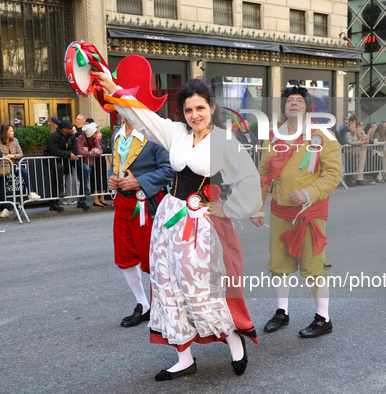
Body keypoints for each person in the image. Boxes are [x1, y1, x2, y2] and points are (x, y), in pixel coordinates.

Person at [92, 70, 261, 380]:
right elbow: (142, 116)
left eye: (200, 108)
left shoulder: (223, 140)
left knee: (200, 289)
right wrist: (114, 88)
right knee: (167, 285)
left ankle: (233, 339)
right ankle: (183, 356)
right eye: (188, 109)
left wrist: (240, 208)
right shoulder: (176, 133)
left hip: (202, 223)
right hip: (170, 217)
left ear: (211, 107)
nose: (194, 115)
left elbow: (249, 179)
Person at [251, 86, 342, 339]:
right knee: (279, 265)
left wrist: (309, 193)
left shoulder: (323, 135)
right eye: (289, 100)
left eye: (298, 100)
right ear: (284, 107)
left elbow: (333, 174)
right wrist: (257, 207)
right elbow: (263, 174)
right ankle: (282, 312)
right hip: (280, 211)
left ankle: (323, 317)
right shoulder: (272, 135)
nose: (293, 104)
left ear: (308, 107)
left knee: (314, 265)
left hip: (310, 212)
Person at [107, 118, 173, 327]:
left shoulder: (155, 134)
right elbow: (114, 165)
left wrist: (139, 181)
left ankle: (164, 305)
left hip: (149, 203)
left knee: (154, 259)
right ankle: (143, 304)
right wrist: (111, 178)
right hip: (123, 203)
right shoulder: (117, 134)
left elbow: (169, 169)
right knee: (125, 256)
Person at [0, 124, 41, 218]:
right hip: (1, 165)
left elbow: (21, 154)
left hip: (13, 164)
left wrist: (12, 156)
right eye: (11, 131)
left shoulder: (14, 140)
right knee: (2, 186)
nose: (13, 132)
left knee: (25, 172)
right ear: (5, 132)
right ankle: (5, 208)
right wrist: (2, 157)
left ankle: (31, 192)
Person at [43, 120, 78, 212]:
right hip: (50, 158)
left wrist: (70, 154)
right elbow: (54, 151)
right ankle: (59, 192)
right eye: (70, 128)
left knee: (60, 173)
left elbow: (75, 149)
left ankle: (55, 202)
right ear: (63, 129)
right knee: (58, 170)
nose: (72, 129)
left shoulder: (72, 137)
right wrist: (69, 154)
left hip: (63, 159)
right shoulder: (53, 137)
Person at [76, 123, 103, 210]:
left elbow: (100, 149)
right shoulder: (81, 138)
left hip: (89, 161)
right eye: (95, 132)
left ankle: (81, 200)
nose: (96, 134)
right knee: (86, 170)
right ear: (90, 133)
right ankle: (86, 187)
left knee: (84, 179)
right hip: (80, 161)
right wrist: (90, 153)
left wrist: (99, 152)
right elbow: (79, 151)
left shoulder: (94, 139)